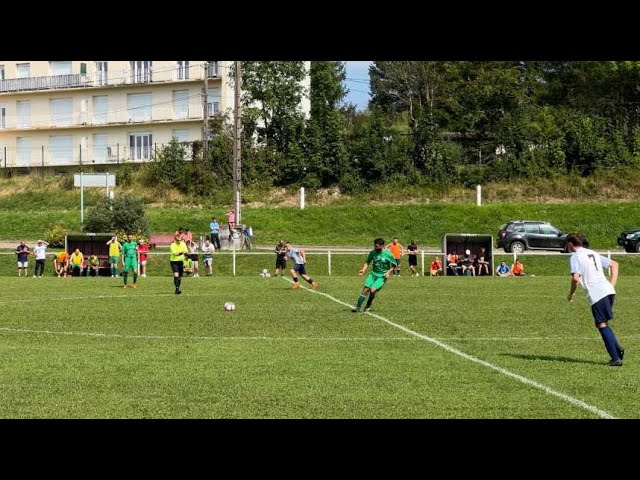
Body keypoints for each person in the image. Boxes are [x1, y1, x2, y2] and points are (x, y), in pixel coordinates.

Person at [566, 233, 624, 366]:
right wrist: (611, 285)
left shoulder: (575, 256)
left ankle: (615, 359)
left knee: (601, 324)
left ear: (570, 243)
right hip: (608, 291)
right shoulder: (592, 253)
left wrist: (571, 294)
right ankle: (617, 349)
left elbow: (575, 278)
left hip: (597, 293)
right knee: (604, 323)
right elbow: (614, 264)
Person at [352, 238, 397, 313]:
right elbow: (367, 262)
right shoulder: (373, 253)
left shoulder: (388, 254)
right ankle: (358, 308)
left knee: (373, 290)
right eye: (374, 246)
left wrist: (388, 272)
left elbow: (394, 265)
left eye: (377, 246)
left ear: (382, 246)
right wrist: (363, 270)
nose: (375, 248)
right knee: (365, 290)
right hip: (373, 274)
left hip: (382, 276)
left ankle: (368, 305)